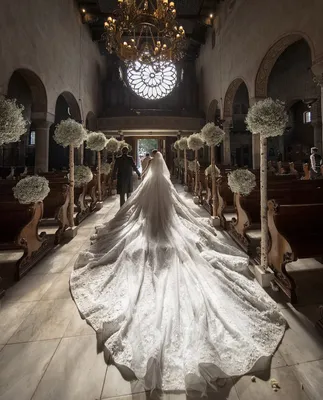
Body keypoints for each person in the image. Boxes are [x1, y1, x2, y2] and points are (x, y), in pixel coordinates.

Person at [70, 152, 285, 394]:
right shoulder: (164, 183)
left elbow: (135, 207)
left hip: (149, 227)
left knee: (143, 225)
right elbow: (175, 208)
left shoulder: (149, 182)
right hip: (167, 228)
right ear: (164, 166)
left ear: (152, 165)